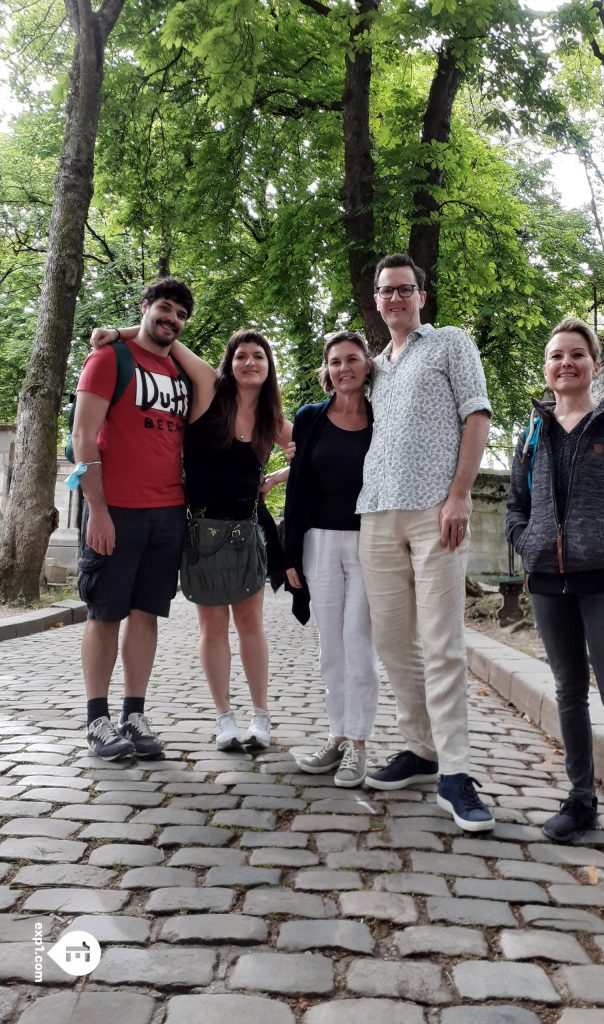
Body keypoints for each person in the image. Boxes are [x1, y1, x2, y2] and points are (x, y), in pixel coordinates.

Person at [505, 317, 604, 868]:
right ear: (546, 369)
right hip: (549, 581)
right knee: (568, 690)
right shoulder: (532, 434)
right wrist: (526, 542)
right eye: (556, 355)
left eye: (576, 354)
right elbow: (516, 505)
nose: (566, 363)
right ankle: (579, 800)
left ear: (594, 365)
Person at [91, 323, 292, 753]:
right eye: (241, 355)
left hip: (247, 532)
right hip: (201, 532)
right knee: (213, 627)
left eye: (258, 356)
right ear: (229, 363)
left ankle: (261, 716)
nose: (249, 362)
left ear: (268, 366)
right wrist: (120, 332)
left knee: (251, 625)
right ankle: (224, 719)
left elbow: (315, 450)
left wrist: (276, 477)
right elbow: (167, 334)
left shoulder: (271, 417)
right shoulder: (209, 390)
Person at [357, 253, 495, 833]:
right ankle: (420, 747)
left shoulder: (449, 343)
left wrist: (460, 495)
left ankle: (456, 773)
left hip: (435, 513)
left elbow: (477, 415)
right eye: (385, 290)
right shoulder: (374, 368)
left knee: (442, 644)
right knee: (392, 642)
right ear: (376, 300)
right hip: (376, 513)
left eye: (403, 289)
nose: (394, 298)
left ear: (421, 295)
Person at [73, 277, 195, 761]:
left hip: (167, 512)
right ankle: (97, 720)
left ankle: (134, 714)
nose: (172, 319)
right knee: (105, 613)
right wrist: (98, 511)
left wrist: (126, 329)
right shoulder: (108, 359)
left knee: (146, 614)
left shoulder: (181, 372)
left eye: (181, 315)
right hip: (116, 509)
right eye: (164, 308)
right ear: (145, 306)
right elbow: (84, 437)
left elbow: (214, 381)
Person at [284, 331, 378, 788]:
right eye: (336, 361)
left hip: (368, 542)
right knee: (330, 649)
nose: (344, 368)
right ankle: (337, 735)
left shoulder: (383, 418)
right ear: (327, 370)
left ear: (367, 365)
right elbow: (298, 484)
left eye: (352, 359)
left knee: (359, 644)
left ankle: (359, 743)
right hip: (318, 541)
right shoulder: (309, 418)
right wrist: (290, 552)